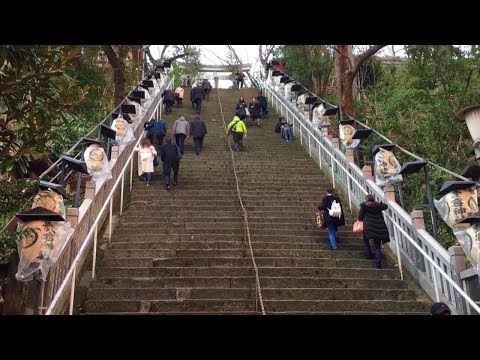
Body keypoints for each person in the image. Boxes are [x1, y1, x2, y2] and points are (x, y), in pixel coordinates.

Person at [358, 194, 390, 269]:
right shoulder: (378, 205)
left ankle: (368, 255)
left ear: (366, 199)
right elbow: (385, 206)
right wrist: (379, 203)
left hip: (368, 227)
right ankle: (378, 262)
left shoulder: (364, 206)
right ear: (373, 199)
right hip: (379, 227)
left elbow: (360, 217)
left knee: (366, 240)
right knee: (377, 246)